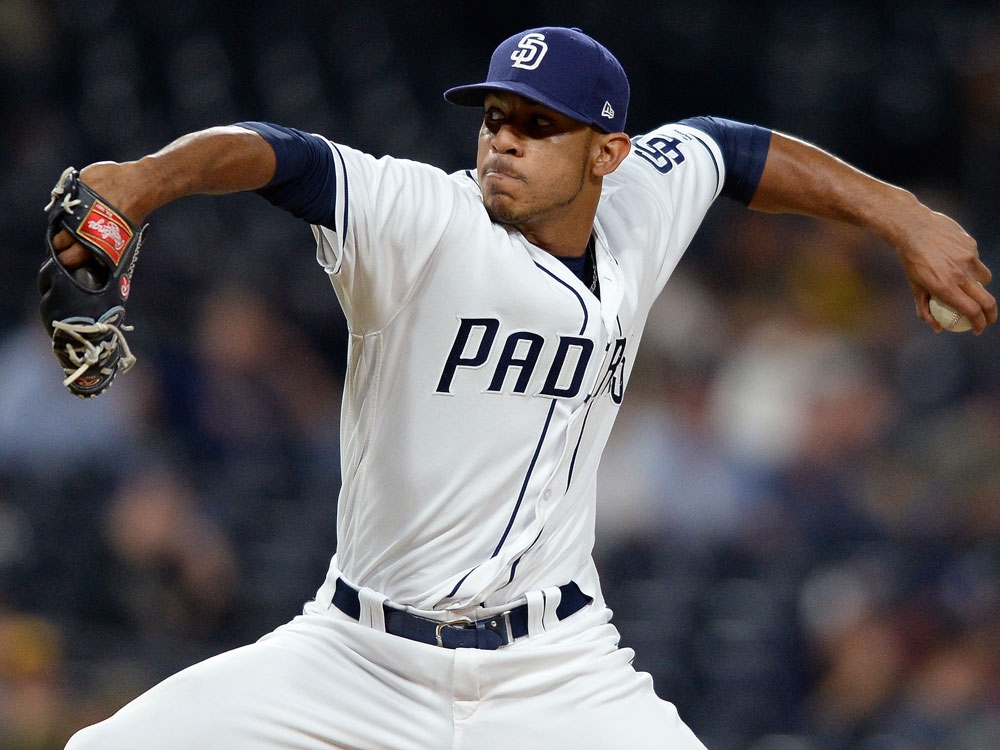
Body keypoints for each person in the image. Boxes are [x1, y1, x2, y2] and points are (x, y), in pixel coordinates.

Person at [57, 26, 994, 749]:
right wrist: (145, 180)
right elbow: (281, 154)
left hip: (556, 666)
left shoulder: (642, 203)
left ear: (607, 153)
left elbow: (732, 150)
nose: (503, 141)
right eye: (495, 116)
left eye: (538, 124)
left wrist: (901, 215)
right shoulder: (423, 219)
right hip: (356, 657)